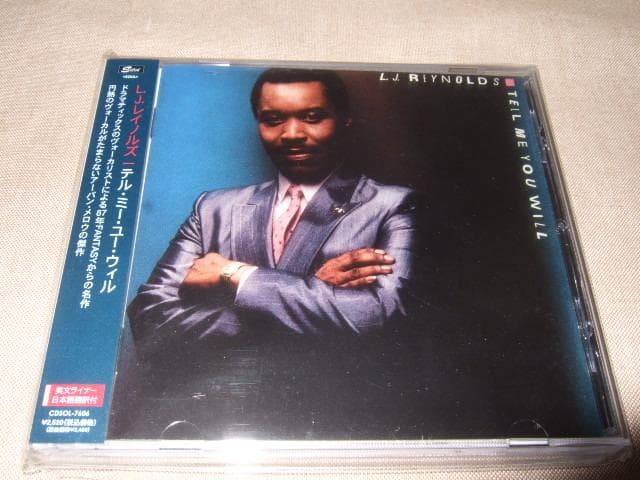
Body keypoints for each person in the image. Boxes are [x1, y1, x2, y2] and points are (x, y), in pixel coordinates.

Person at [121, 68, 422, 439]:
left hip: (335, 428)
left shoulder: (392, 206)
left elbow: (380, 319)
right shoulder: (214, 208)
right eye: (273, 119)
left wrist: (237, 275)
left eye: (313, 116)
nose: (292, 134)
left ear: (345, 121)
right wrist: (311, 293)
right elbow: (151, 320)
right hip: (220, 425)